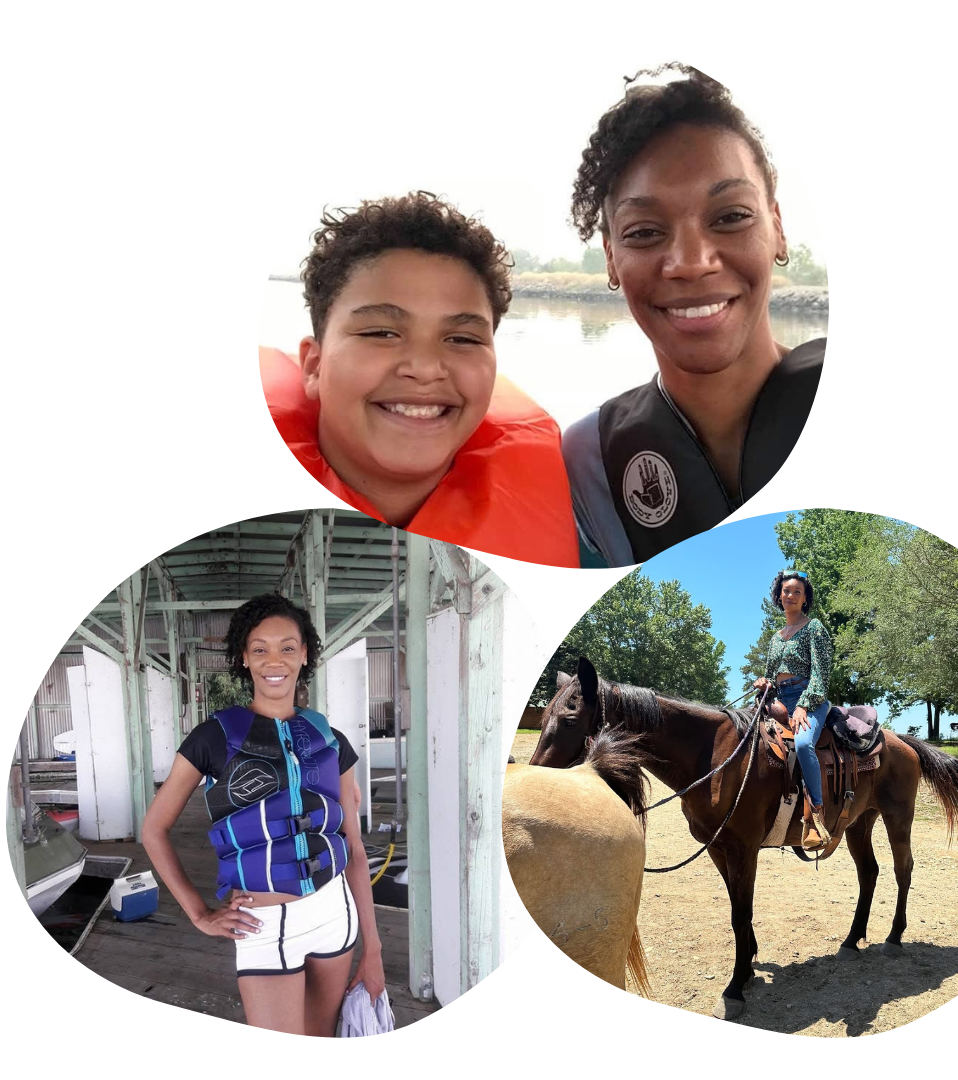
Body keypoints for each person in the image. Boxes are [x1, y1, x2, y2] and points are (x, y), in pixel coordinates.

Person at [561, 66, 826, 568]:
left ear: (777, 227)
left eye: (730, 217)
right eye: (643, 231)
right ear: (612, 257)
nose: (690, 262)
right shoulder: (587, 463)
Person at [260, 191, 579, 568]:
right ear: (314, 365)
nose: (426, 368)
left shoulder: (585, 497)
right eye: (381, 333)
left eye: (462, 339)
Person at [142, 594, 384, 1036]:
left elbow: (354, 850)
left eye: (288, 647)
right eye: (260, 649)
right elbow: (154, 830)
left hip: (336, 916)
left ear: (305, 653)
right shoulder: (213, 737)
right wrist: (198, 913)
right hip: (263, 924)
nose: (276, 660)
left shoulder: (331, 739)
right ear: (244, 657)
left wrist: (374, 952)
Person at [754, 571, 833, 851]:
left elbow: (821, 676)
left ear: (805, 599)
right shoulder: (776, 637)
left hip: (810, 699)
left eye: (797, 592)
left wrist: (803, 705)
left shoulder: (814, 628)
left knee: (802, 744)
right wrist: (764, 682)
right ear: (779, 596)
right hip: (779, 700)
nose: (791, 596)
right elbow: (770, 675)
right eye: (786, 591)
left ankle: (816, 816)